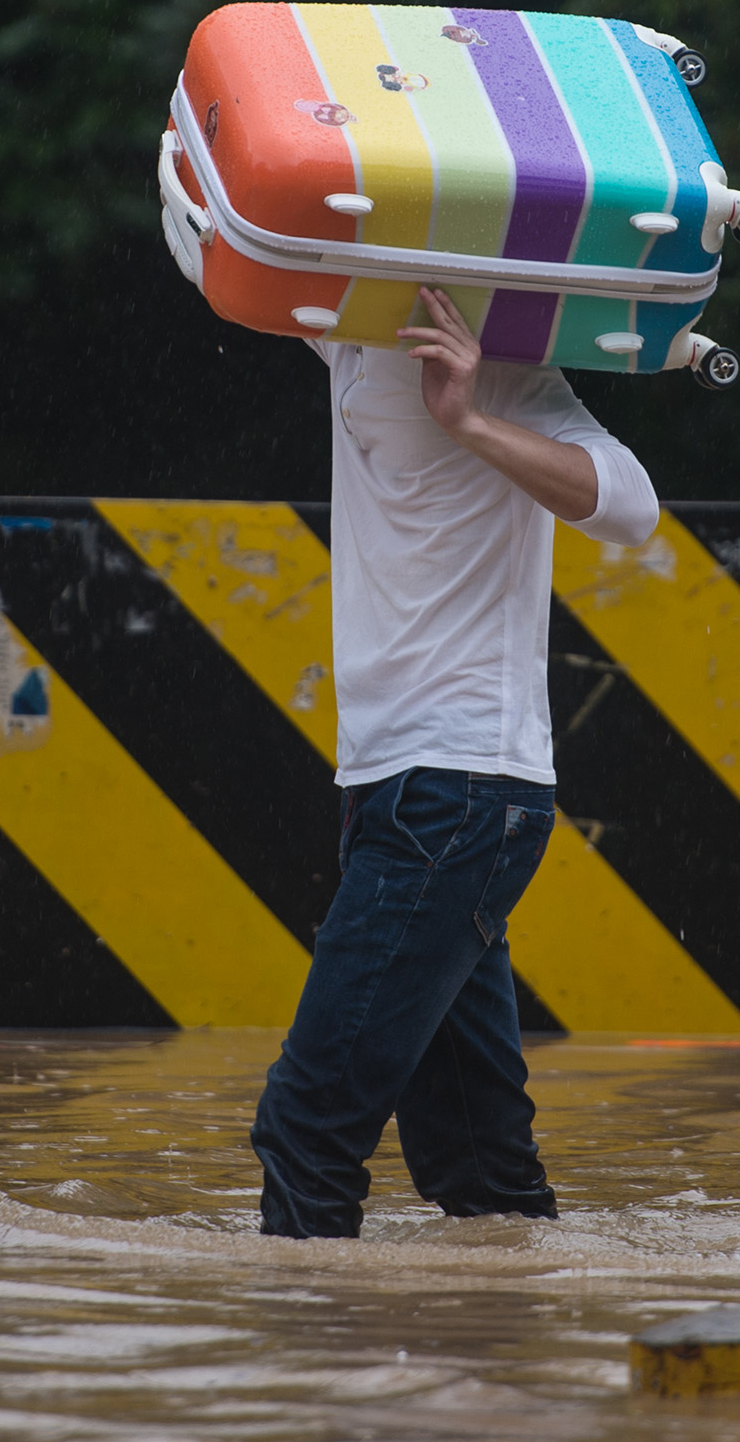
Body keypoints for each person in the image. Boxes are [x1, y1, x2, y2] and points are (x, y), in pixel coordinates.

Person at [249, 285, 661, 1238]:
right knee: (479, 1168)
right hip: (397, 794)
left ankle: (305, 1380)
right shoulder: (354, 335)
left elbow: (633, 509)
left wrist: (468, 415)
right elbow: (240, 256)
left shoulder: (501, 363)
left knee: (307, 1126)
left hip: (459, 794)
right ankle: (506, 1355)